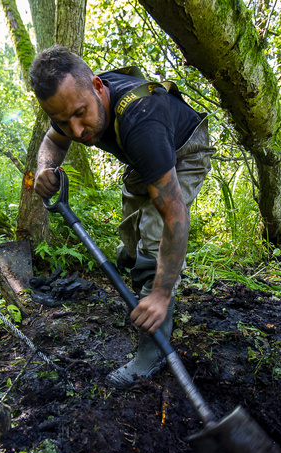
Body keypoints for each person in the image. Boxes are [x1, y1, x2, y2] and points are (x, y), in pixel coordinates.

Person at [30, 45, 214, 389]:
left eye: (80, 114)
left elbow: (175, 216)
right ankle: (135, 257)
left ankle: (152, 352)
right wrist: (44, 167)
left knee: (154, 245)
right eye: (64, 121)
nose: (76, 131)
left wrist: (160, 294)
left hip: (183, 149)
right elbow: (52, 142)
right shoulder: (73, 102)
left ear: (98, 87)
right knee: (132, 242)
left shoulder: (141, 121)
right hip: (142, 157)